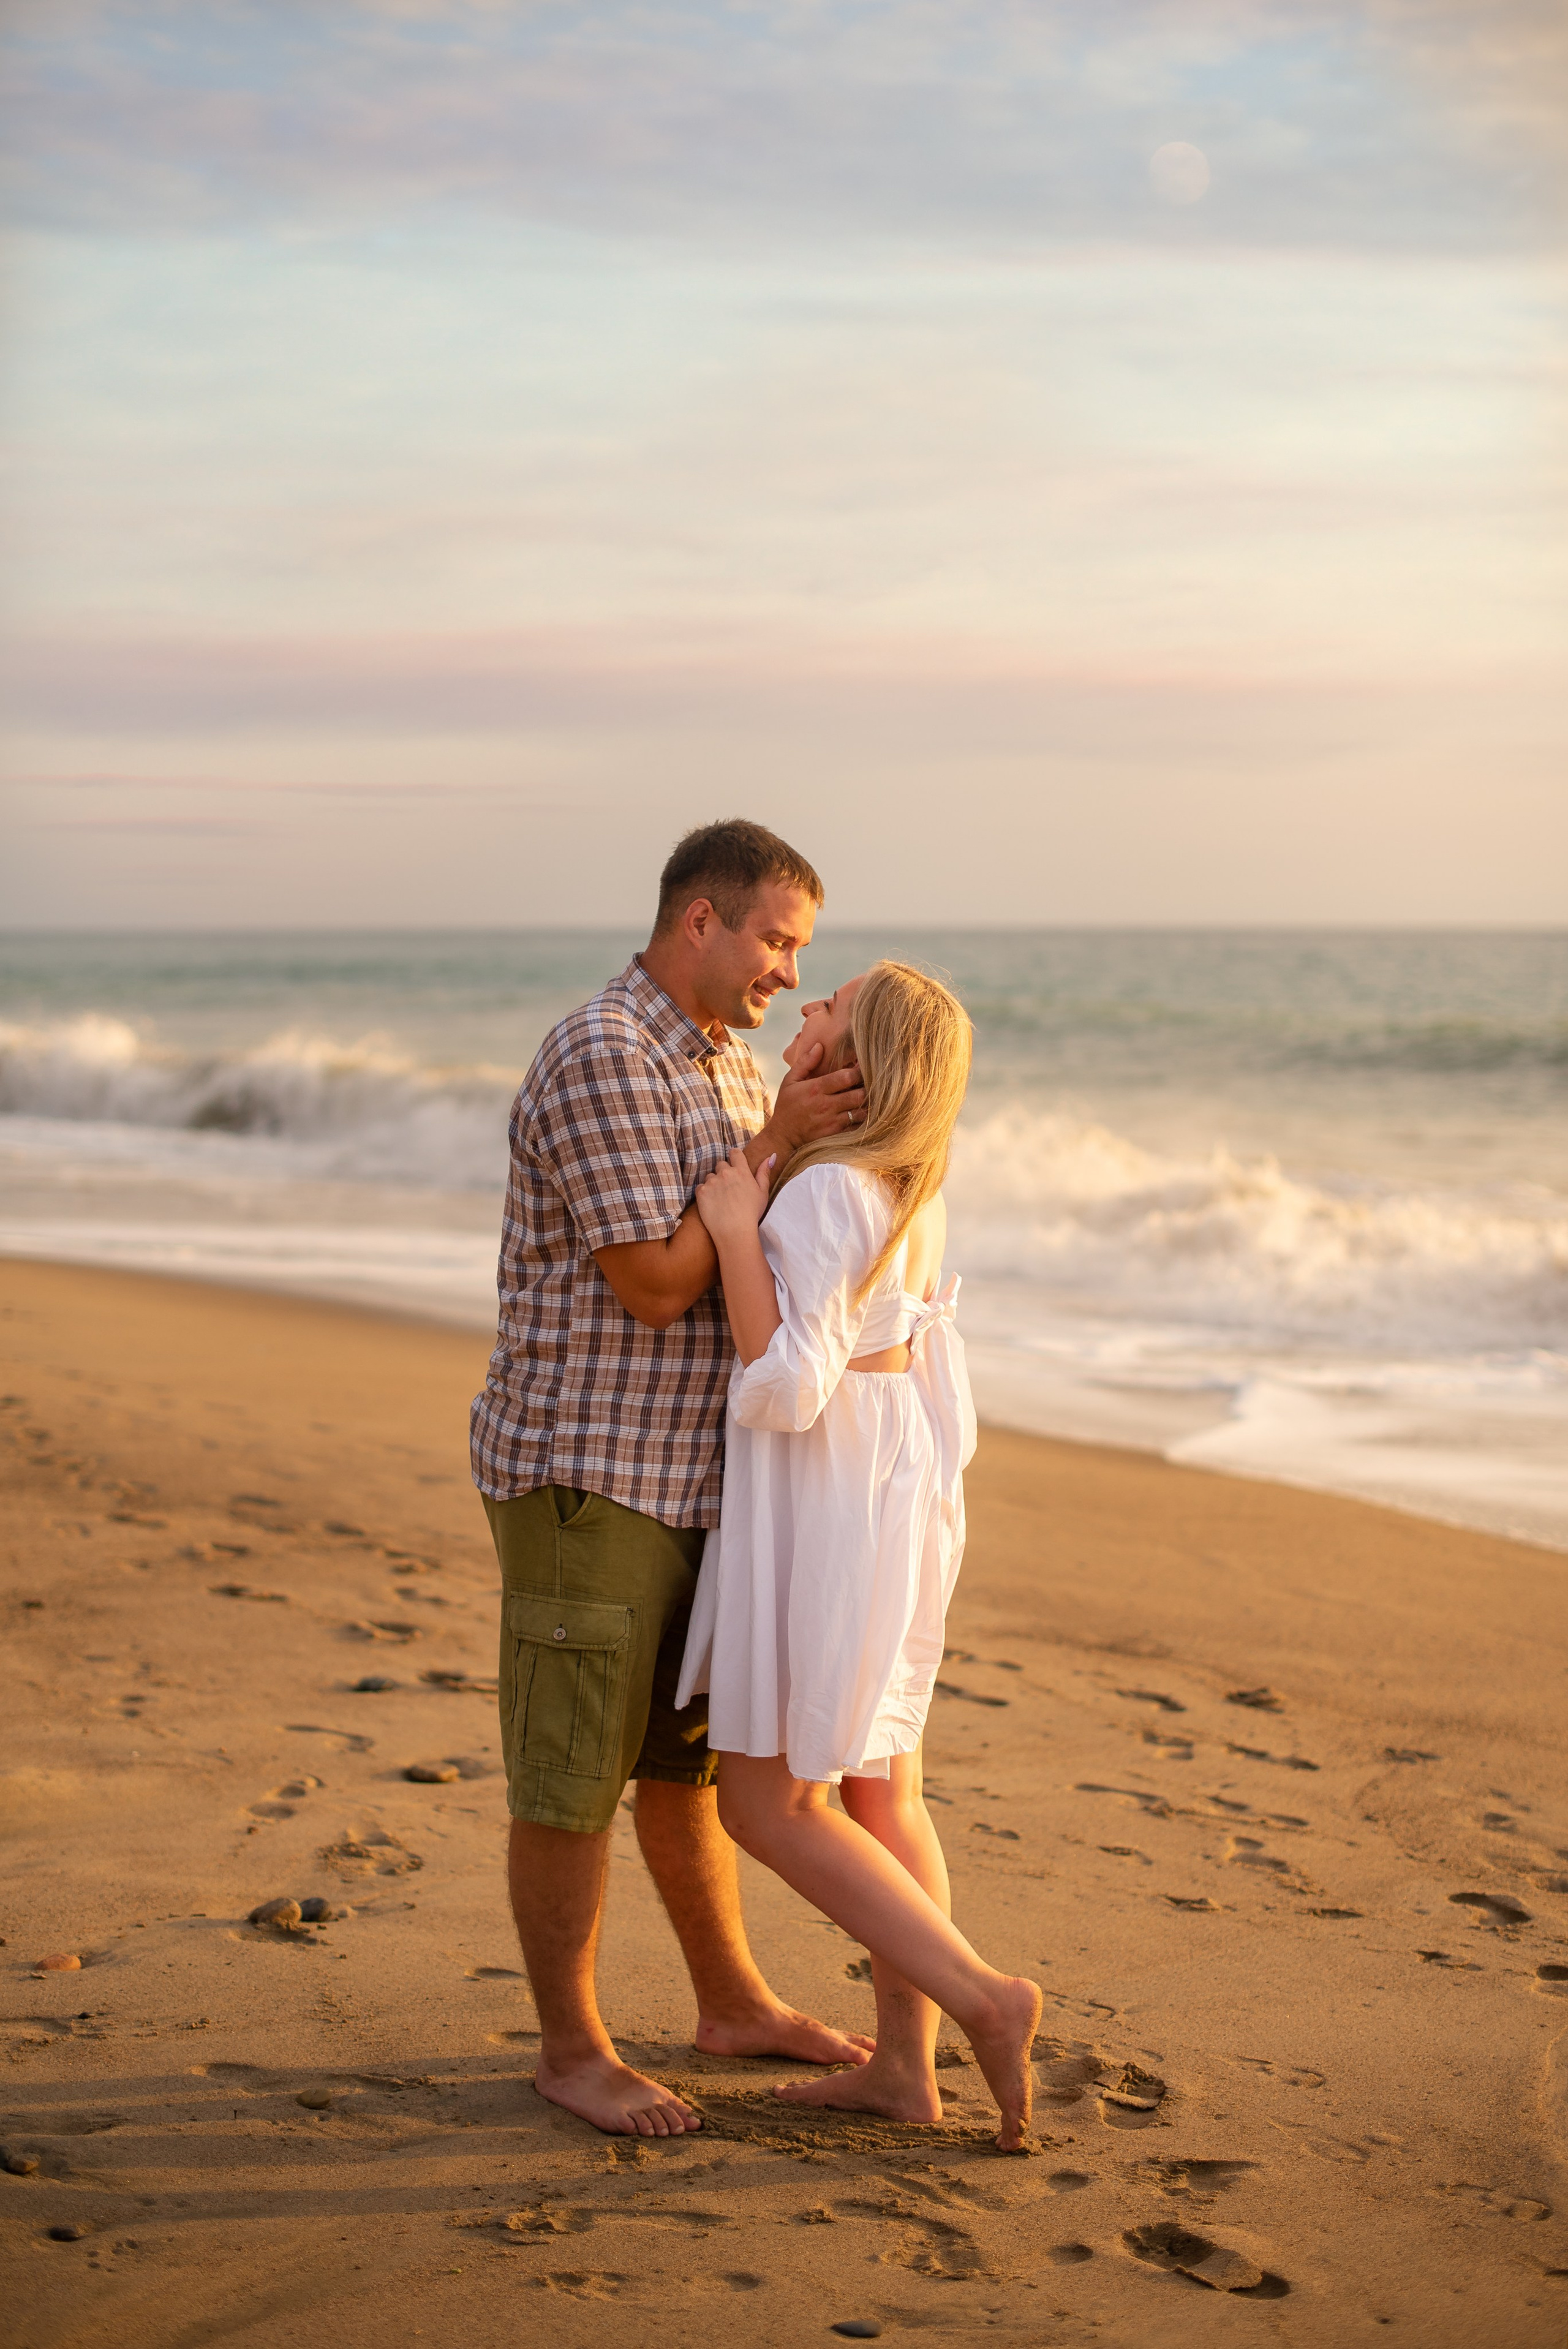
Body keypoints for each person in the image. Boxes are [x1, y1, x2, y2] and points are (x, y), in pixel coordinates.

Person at [470, 818, 875, 2138]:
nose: (781, 969)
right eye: (773, 938)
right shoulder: (606, 1053)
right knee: (570, 1771)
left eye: (797, 949)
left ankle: (730, 1999)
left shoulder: (729, 1067)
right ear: (696, 918)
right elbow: (652, 1281)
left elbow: (765, 1244)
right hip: (586, 1469)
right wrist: (770, 1152)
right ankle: (570, 2048)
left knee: (681, 1767)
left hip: (698, 1480)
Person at [676, 961, 1042, 2151]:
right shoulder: (906, 1182)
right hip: (889, 1486)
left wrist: (736, 1231)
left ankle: (981, 1998)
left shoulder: (826, 1194)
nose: (804, 1008)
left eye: (826, 1003)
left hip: (830, 1489)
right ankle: (901, 2069)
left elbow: (784, 1387)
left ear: (859, 1053)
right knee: (884, 1787)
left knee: (766, 1801)